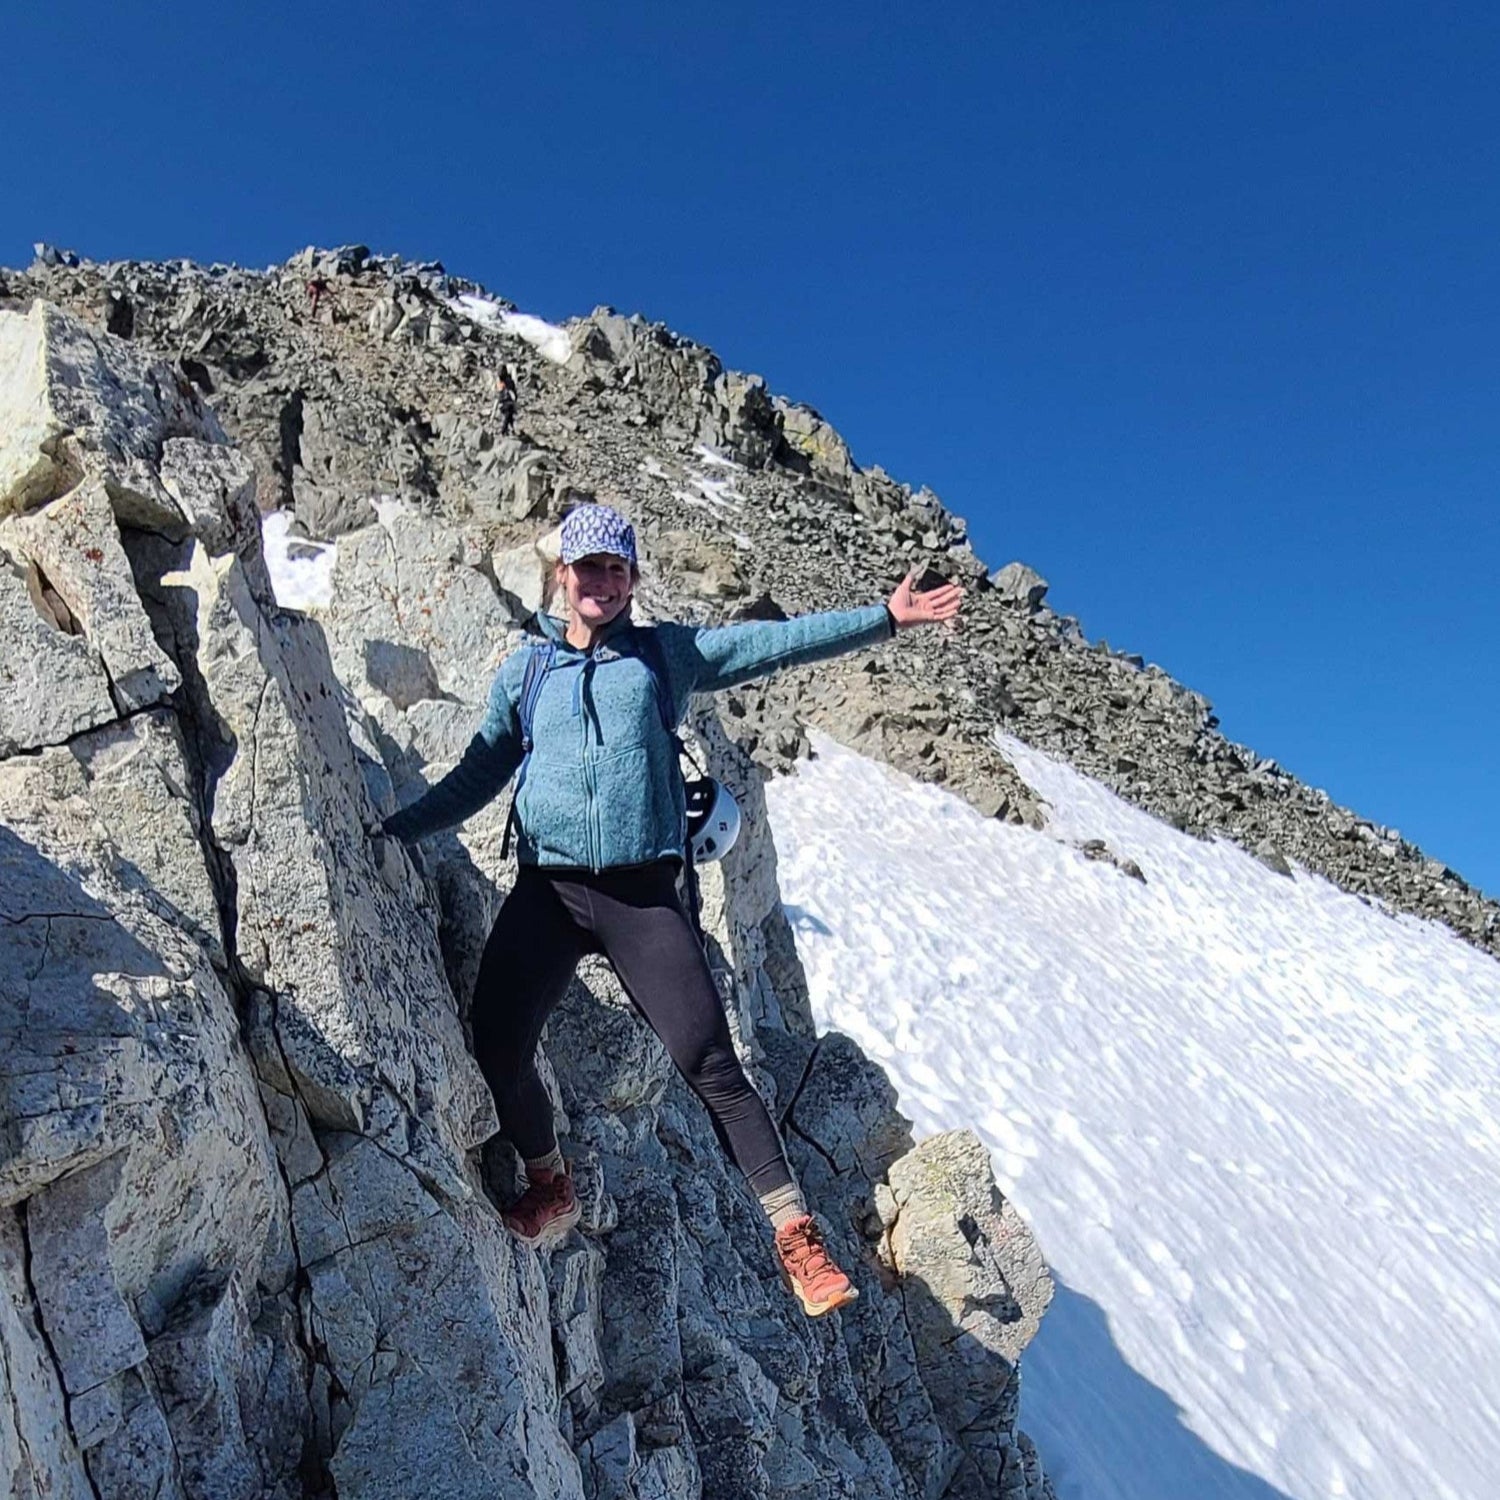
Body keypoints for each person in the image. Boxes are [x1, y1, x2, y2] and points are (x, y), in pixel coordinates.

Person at [382, 502, 963, 1316]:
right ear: (563, 575)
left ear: (632, 581)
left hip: (641, 899)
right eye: (589, 568)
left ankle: (797, 1236)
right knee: (497, 1044)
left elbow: (771, 646)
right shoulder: (527, 673)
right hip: (546, 892)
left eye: (617, 570)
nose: (602, 582)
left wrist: (885, 621)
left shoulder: (664, 657)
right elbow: (480, 772)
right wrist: (396, 828)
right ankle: (551, 1182)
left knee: (711, 1065)